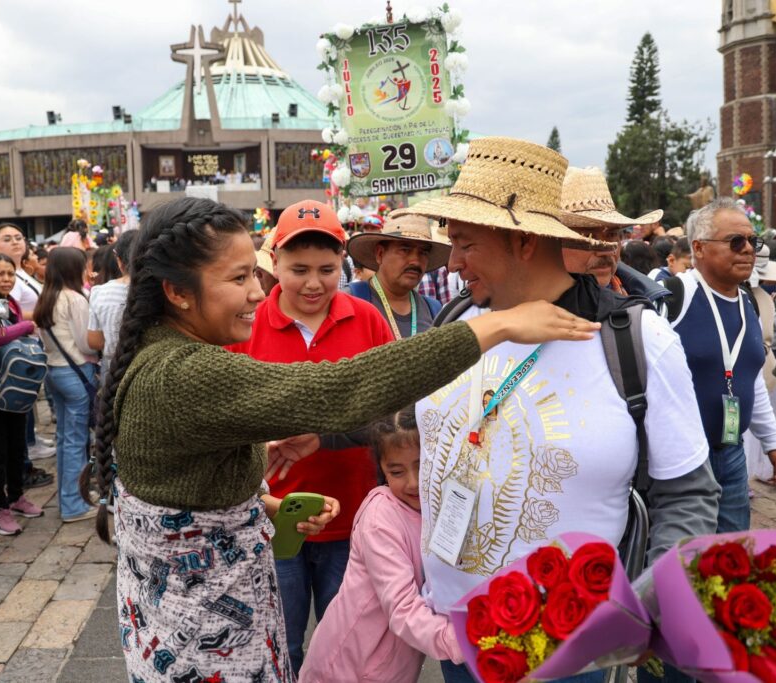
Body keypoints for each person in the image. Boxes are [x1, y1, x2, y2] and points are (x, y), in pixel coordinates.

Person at [82, 196, 599, 682]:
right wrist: (498, 326)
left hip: (197, 621)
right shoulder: (182, 373)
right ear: (177, 292)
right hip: (202, 644)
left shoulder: (164, 357)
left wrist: (257, 498)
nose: (259, 292)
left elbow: (179, 491)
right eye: (240, 278)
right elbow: (342, 390)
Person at [394, 137, 719, 683]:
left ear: (522, 241)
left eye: (467, 243)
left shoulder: (638, 340)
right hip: (453, 636)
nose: (452, 262)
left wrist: (646, 603)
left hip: (570, 653)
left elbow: (688, 493)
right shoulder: (457, 321)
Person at [226, 200, 395, 673]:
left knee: (347, 652)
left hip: (354, 517)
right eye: (298, 269)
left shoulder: (368, 321)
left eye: (327, 268)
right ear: (273, 260)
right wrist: (257, 446)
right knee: (281, 646)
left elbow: (394, 413)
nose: (315, 283)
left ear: (344, 262)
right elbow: (226, 417)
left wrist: (329, 435)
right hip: (269, 521)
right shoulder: (245, 325)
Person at [300, 407, 464, 683]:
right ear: (382, 469)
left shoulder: (438, 507)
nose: (413, 483)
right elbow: (403, 610)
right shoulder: (380, 519)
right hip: (347, 671)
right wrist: (464, 642)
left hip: (391, 668)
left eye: (422, 466)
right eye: (397, 471)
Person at [666, 200, 776, 534]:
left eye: (754, 241)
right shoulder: (673, 297)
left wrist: (775, 444)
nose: (748, 249)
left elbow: (748, 380)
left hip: (732, 453)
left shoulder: (748, 301)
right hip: (684, 457)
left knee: (732, 553)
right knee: (686, 558)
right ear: (699, 248)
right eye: (736, 241)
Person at [0, 254, 45, 535]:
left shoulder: (10, 302)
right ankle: (0, 508)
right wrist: (25, 327)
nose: (6, 279)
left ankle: (16, 497)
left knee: (19, 445)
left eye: (10, 274)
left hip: (14, 387)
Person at [35, 247, 98, 523]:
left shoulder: (47, 297)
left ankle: (69, 498)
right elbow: (86, 342)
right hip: (76, 372)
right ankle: (74, 504)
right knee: (75, 441)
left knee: (65, 439)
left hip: (55, 372)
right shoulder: (74, 299)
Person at [0, 225, 57, 470]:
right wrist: (41, 314)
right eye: (7, 239)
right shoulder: (6, 276)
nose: (16, 242)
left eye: (19, 237)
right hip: (16, 349)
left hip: (32, 344)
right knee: (21, 396)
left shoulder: (22, 272)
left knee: (29, 397)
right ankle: (27, 451)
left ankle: (31, 440)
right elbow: (11, 313)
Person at [559, 166, 668, 304]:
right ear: (552, 241)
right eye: (588, 237)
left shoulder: (650, 305)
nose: (605, 251)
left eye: (611, 235)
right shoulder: (528, 312)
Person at [345, 214, 450, 337]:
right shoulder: (349, 302)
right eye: (405, 250)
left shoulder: (433, 309)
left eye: (423, 252)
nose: (415, 261)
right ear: (380, 254)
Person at [88, 229, 138, 381]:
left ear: (118, 259)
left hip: (114, 368)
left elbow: (94, 341)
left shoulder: (100, 292)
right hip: (154, 366)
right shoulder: (166, 290)